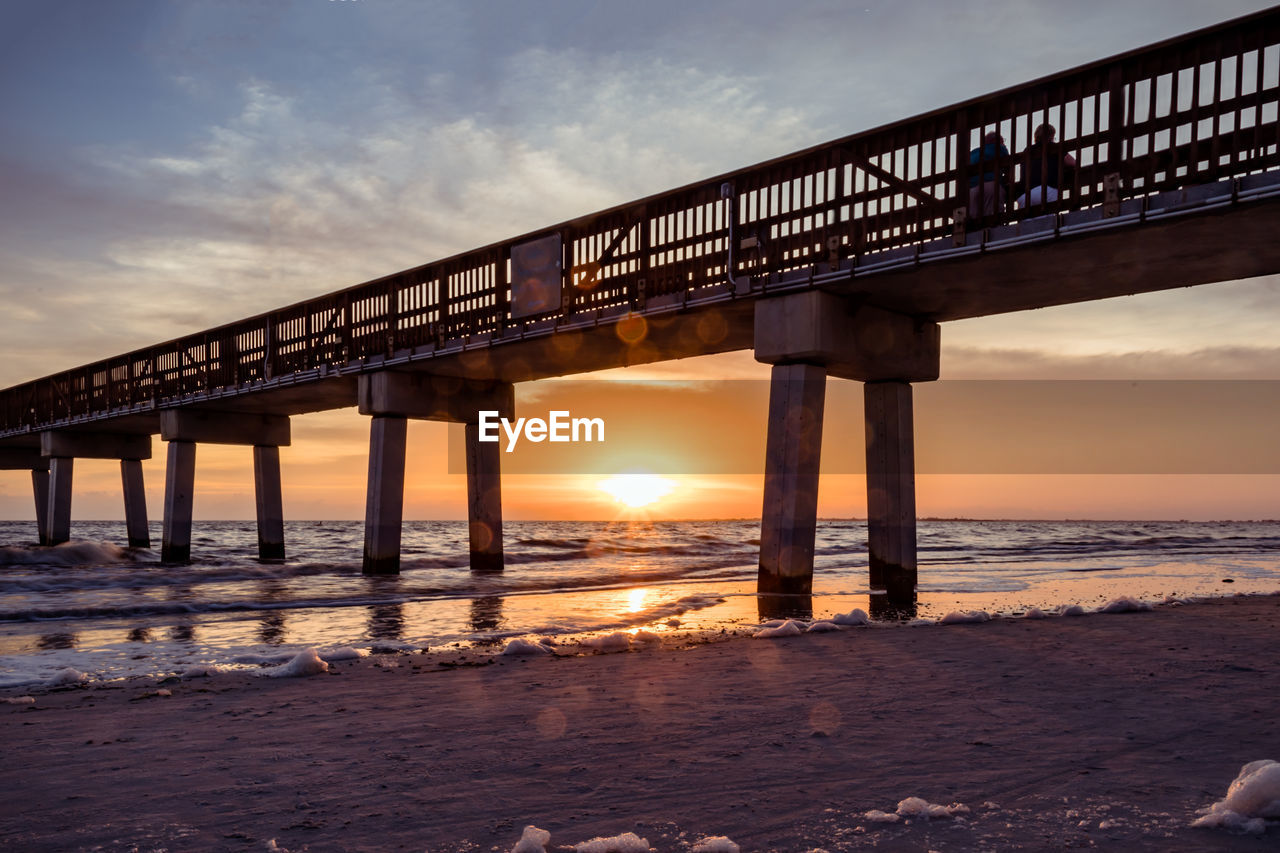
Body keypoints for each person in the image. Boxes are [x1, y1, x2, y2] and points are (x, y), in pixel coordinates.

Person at [1016, 123, 1077, 209]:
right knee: (1048, 221)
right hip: (1047, 191)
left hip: (1025, 195)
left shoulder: (1027, 150)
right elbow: (1073, 163)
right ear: (1051, 136)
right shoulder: (1054, 147)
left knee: (1027, 222)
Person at [968, 131, 1009, 219]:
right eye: (1003, 141)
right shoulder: (1000, 148)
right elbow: (1008, 169)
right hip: (991, 185)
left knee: (974, 221)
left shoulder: (973, 153)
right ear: (998, 140)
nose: (1004, 144)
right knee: (993, 218)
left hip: (972, 190)